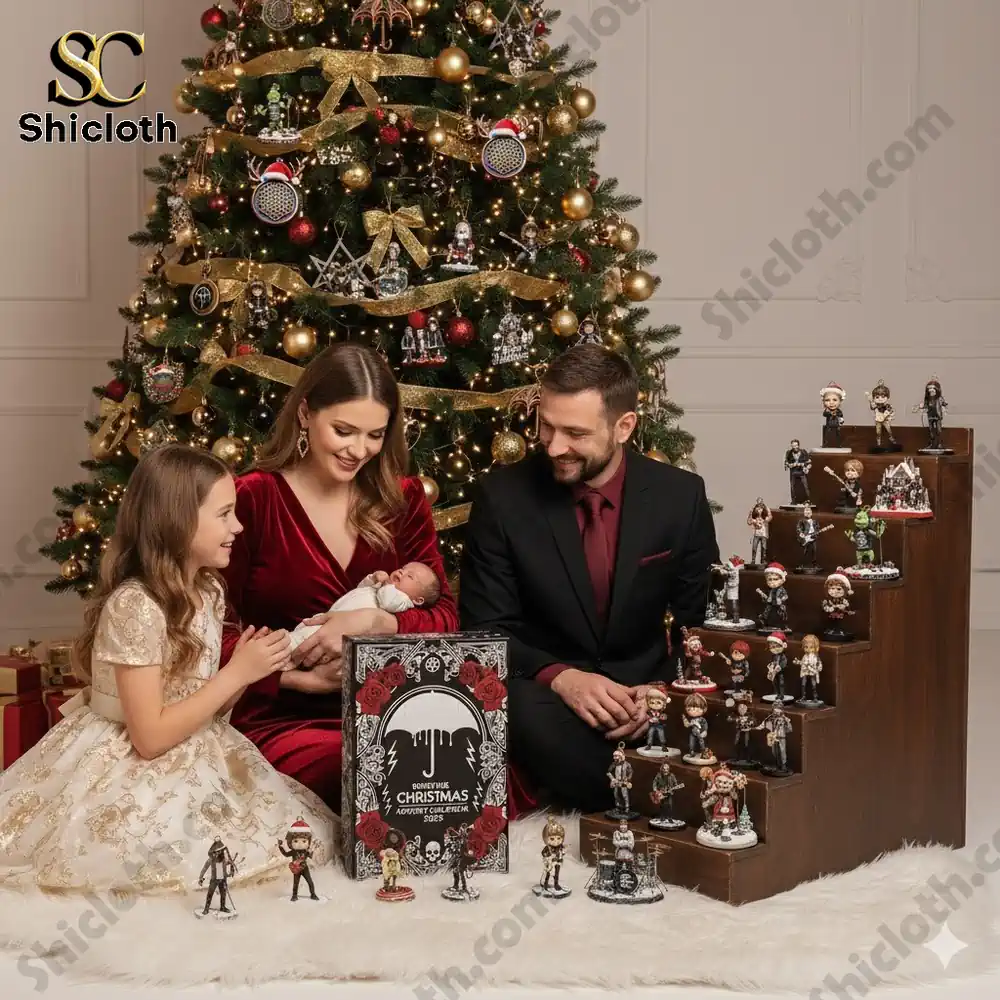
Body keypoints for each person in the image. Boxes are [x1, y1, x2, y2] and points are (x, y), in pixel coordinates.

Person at [0, 445, 335, 896]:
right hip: (130, 759)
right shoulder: (136, 605)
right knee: (152, 863)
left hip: (197, 745)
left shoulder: (207, 591)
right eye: (224, 514)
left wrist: (253, 671)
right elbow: (150, 738)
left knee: (276, 839)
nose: (238, 527)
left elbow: (207, 707)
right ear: (177, 520)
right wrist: (236, 674)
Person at [459, 344, 718, 812]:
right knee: (510, 708)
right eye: (546, 426)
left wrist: (660, 693)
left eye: (575, 433)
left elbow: (699, 619)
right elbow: (485, 629)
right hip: (551, 700)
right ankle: (654, 795)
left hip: (648, 694)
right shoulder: (503, 497)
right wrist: (563, 678)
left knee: (723, 709)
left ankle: (626, 784)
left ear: (624, 427)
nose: (554, 446)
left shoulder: (680, 496)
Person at [221, 343, 458, 809]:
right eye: (344, 431)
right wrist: (291, 681)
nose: (359, 450)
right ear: (306, 414)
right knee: (367, 773)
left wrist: (375, 625)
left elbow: (446, 619)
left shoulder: (404, 500)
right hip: (283, 716)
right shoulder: (252, 499)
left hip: (394, 707)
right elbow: (210, 629)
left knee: (467, 769)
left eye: (375, 435)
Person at [289, 562, 440, 651]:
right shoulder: (384, 587)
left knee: (306, 639)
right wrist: (373, 579)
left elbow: (387, 602)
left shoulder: (403, 600)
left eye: (410, 576)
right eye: (403, 568)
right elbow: (360, 589)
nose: (402, 572)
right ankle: (286, 640)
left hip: (340, 628)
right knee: (304, 627)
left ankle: (284, 648)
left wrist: (386, 584)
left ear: (418, 600)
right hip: (334, 615)